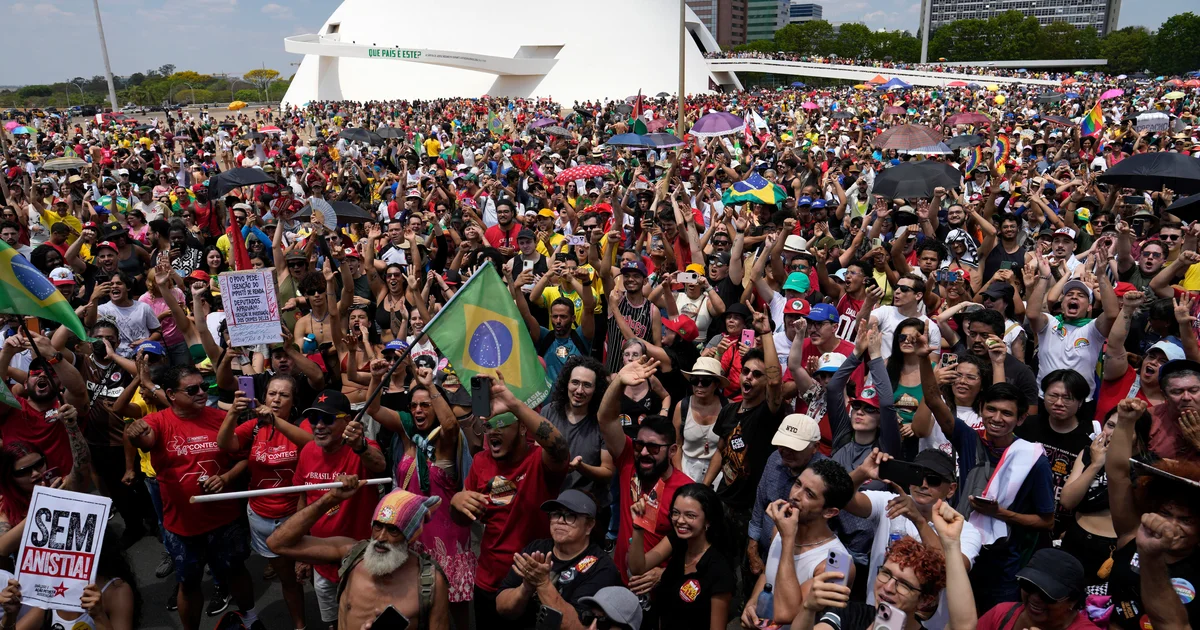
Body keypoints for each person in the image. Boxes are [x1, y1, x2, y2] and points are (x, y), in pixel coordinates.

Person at [125, 365, 260, 630]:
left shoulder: (220, 417)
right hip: (183, 526)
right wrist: (135, 435)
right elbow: (144, 439)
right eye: (192, 389)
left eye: (203, 387)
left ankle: (252, 619)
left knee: (237, 571)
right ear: (171, 394)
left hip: (225, 520)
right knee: (188, 583)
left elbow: (244, 459)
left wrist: (227, 478)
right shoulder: (158, 421)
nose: (201, 392)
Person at [449, 372, 571, 628]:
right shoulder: (481, 462)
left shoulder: (539, 461)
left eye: (502, 423)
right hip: (488, 583)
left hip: (530, 586)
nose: (493, 430)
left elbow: (560, 447)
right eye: (489, 425)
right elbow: (463, 518)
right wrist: (456, 503)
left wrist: (514, 404)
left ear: (522, 427)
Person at [366, 361, 475, 629]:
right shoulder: (407, 433)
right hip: (412, 534)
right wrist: (376, 378)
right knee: (415, 604)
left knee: (456, 607)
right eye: (414, 405)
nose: (417, 410)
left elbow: (450, 424)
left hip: (447, 538)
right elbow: (374, 408)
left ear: (437, 407)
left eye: (425, 405)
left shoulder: (446, 440)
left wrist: (428, 385)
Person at [267, 476, 450, 630]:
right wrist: (330, 499)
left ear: (410, 536)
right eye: (377, 526)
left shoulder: (430, 582)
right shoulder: (352, 554)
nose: (380, 537)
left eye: (393, 530)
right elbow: (278, 544)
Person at [843, 449, 984, 630]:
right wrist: (862, 473)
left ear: (951, 489)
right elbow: (842, 498)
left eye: (933, 479)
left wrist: (917, 519)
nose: (923, 484)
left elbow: (950, 571)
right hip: (877, 615)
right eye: (917, 476)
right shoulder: (890, 501)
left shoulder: (965, 530)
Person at [216, 377, 313, 630]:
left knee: (312, 575)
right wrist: (232, 413)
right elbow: (225, 444)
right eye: (272, 394)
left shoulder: (302, 425)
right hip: (261, 516)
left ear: (293, 402)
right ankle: (299, 625)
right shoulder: (255, 426)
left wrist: (275, 421)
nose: (276, 399)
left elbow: (311, 445)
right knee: (288, 579)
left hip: (296, 516)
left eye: (283, 395)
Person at [291, 389, 386, 629]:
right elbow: (302, 500)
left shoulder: (361, 448)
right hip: (321, 559)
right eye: (314, 419)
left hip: (360, 560)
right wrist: (303, 553)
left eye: (328, 419)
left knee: (364, 621)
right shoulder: (307, 451)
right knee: (333, 622)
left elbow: (379, 464)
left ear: (347, 420)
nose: (319, 426)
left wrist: (360, 446)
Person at [1104, 396, 1200, 630]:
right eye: (1165, 513)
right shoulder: (1132, 535)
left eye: (1186, 519)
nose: (1171, 526)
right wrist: (1126, 422)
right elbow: (1118, 475)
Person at [598, 359, 695, 591]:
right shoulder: (628, 460)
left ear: (672, 450)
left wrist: (664, 573)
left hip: (660, 590)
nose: (643, 452)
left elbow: (699, 550)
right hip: (620, 581)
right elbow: (606, 418)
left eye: (653, 448)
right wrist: (619, 381)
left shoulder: (686, 492)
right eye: (639, 444)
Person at [742, 459, 856, 628]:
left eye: (809, 494)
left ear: (829, 512)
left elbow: (786, 614)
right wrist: (752, 604)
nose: (795, 495)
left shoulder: (837, 564)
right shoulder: (780, 530)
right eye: (797, 484)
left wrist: (788, 539)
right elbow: (768, 576)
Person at [496, 490, 623, 629]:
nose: (561, 520)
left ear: (589, 525)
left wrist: (542, 584)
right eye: (556, 514)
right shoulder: (536, 549)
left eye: (570, 516)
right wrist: (525, 588)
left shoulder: (602, 568)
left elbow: (576, 627)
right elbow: (502, 608)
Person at [629, 483, 735, 630]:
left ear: (708, 520)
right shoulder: (677, 540)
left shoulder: (719, 570)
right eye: (676, 513)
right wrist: (638, 527)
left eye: (690, 515)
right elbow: (637, 567)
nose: (680, 521)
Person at [673, 357, 727, 484]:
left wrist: (706, 483)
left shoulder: (727, 408)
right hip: (686, 470)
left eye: (706, 381)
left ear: (716, 384)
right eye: (694, 380)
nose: (699, 385)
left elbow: (724, 449)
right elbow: (677, 445)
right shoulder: (682, 407)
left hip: (717, 474)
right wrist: (680, 477)